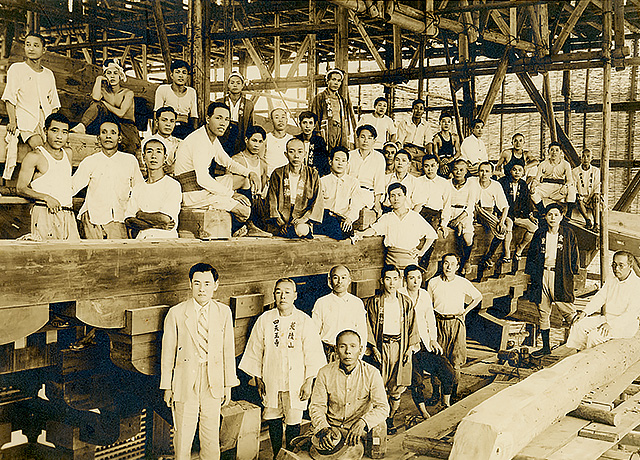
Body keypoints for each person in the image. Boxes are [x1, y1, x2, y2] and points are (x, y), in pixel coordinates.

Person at [240, 278, 326, 459]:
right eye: (278, 292)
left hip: (296, 380)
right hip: (271, 378)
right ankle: (276, 454)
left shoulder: (304, 320)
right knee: (273, 417)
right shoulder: (265, 319)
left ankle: (291, 455)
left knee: (294, 420)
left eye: (287, 292)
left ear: (295, 295)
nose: (283, 296)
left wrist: (309, 381)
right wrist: (258, 378)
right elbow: (256, 350)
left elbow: (313, 354)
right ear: (274, 295)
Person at [160, 263, 239, 460]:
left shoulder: (223, 312)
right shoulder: (177, 313)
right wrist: (167, 387)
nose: (202, 289)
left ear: (216, 285)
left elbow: (228, 351)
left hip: (213, 381)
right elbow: (168, 353)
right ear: (190, 284)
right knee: (183, 435)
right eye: (197, 283)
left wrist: (228, 385)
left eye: (207, 283)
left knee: (210, 435)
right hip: (185, 380)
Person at [173, 102, 261, 236]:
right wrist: (231, 194)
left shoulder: (211, 138)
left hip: (202, 187)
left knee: (244, 180)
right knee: (244, 211)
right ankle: (238, 228)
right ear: (208, 119)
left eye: (226, 119)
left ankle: (249, 225)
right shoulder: (199, 140)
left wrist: (250, 173)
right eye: (218, 118)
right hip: (193, 194)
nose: (223, 123)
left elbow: (228, 163)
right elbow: (202, 179)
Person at [308, 330, 390, 455]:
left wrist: (363, 422)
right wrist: (323, 427)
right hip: (331, 429)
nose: (348, 351)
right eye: (342, 346)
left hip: (358, 430)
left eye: (353, 346)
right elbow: (316, 406)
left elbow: (383, 407)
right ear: (336, 350)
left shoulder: (372, 373)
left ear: (360, 350)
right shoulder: (324, 373)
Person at [364, 265, 419, 434]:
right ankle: (376, 421)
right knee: (378, 385)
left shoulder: (405, 302)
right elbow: (368, 326)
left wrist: (409, 349)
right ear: (382, 281)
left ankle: (390, 418)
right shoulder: (374, 302)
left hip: (400, 347)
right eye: (388, 279)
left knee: (397, 387)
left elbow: (412, 327)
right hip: (381, 347)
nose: (392, 283)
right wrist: (374, 348)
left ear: (400, 280)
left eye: (395, 279)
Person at [72, 117, 144, 239]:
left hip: (120, 218)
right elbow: (72, 187)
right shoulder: (90, 161)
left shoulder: (129, 161)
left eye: (113, 133)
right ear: (98, 138)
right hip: (93, 219)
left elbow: (140, 190)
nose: (108, 136)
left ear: (119, 138)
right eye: (104, 132)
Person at [525, 203, 580, 357]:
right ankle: (546, 347)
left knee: (568, 311)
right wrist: (532, 275)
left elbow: (574, 256)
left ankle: (580, 344)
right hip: (543, 274)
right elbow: (532, 255)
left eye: (556, 215)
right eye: (550, 215)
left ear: (561, 217)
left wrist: (572, 273)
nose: (553, 218)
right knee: (543, 311)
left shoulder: (568, 233)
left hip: (560, 275)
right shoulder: (540, 233)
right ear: (545, 217)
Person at [427, 253, 482, 399]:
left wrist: (465, 312)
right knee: (437, 359)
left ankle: (453, 394)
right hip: (438, 323)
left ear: (457, 267)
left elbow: (478, 297)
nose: (449, 267)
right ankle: (435, 394)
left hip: (456, 324)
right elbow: (428, 305)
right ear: (442, 265)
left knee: (456, 361)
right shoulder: (433, 282)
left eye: (452, 264)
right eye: (446, 263)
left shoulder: (462, 282)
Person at [16, 112, 79, 240]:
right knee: (46, 251)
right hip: (44, 212)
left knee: (72, 252)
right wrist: (46, 197)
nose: (59, 136)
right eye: (55, 131)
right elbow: (20, 188)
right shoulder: (35, 156)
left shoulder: (68, 153)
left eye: (64, 132)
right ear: (45, 131)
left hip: (67, 213)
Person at [403, 265, 455, 415]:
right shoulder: (400, 294)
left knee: (447, 370)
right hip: (407, 346)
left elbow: (430, 319)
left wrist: (433, 339)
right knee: (417, 381)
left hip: (424, 343)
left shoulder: (424, 294)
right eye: (412, 278)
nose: (416, 281)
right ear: (405, 279)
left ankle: (445, 404)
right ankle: (424, 413)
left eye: (418, 278)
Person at [353, 183, 437, 270]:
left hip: (410, 260)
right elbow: (374, 230)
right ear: (389, 199)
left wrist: (422, 251)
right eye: (392, 196)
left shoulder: (415, 217)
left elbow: (432, 235)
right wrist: (361, 233)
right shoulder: (387, 217)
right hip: (391, 261)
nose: (396, 199)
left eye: (399, 195)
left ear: (405, 197)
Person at [568, 251, 640, 350]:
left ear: (630, 266)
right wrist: (585, 312)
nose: (616, 268)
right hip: (607, 318)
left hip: (625, 325)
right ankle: (580, 354)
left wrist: (610, 324)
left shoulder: (637, 285)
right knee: (579, 325)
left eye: (621, 265)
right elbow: (600, 297)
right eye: (614, 265)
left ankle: (590, 358)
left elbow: (631, 314)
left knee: (594, 336)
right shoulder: (611, 278)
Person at [2, 32, 60, 149]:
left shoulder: (48, 74)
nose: (31, 49)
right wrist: (13, 121)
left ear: (44, 50)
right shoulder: (17, 69)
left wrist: (52, 127)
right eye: (28, 45)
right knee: (39, 147)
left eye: (36, 45)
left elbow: (54, 104)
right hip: (25, 120)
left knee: (55, 149)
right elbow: (10, 98)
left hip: (46, 121)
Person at [73, 58, 140, 155]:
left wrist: (104, 103)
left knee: (130, 152)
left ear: (120, 76)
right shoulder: (104, 91)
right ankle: (82, 126)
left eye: (115, 73)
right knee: (96, 104)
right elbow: (96, 98)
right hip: (110, 123)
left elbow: (121, 113)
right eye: (109, 73)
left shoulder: (127, 93)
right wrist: (99, 79)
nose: (112, 76)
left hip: (126, 126)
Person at [124, 137, 182, 239]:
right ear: (143, 157)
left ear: (165, 158)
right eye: (149, 151)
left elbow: (164, 219)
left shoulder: (172, 185)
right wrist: (156, 225)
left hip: (166, 241)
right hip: (141, 241)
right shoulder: (138, 187)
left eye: (158, 152)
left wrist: (140, 215)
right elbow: (129, 221)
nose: (154, 156)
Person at [266, 138, 324, 238]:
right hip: (281, 219)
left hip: (302, 219)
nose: (296, 156)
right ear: (286, 154)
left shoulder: (312, 174)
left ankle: (292, 231)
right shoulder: (278, 173)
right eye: (291, 152)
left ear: (305, 154)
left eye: (300, 152)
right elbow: (272, 200)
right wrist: (280, 221)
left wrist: (303, 219)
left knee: (301, 229)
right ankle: (287, 230)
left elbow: (317, 201)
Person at [312, 265, 368, 360]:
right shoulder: (321, 302)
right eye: (335, 278)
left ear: (349, 281)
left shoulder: (357, 303)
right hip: (327, 352)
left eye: (343, 278)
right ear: (330, 281)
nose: (339, 281)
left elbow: (362, 332)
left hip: (349, 353)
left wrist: (359, 356)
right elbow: (314, 333)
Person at [232, 125, 272, 237]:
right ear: (246, 140)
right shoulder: (236, 160)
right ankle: (247, 226)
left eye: (260, 142)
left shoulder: (263, 164)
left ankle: (253, 227)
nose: (256, 145)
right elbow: (228, 184)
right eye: (254, 140)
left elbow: (262, 189)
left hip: (256, 205)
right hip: (241, 201)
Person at [471, 162, 511, 271]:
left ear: (492, 173)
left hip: (487, 213)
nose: (484, 174)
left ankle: (488, 256)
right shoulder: (472, 181)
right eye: (481, 171)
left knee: (501, 231)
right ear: (478, 172)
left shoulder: (496, 185)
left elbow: (505, 206)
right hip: (472, 211)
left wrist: (501, 222)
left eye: (487, 171)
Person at [316, 147, 364, 240]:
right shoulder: (322, 181)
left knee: (343, 231)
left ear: (347, 164)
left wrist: (349, 219)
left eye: (343, 161)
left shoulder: (353, 182)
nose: (340, 163)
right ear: (330, 162)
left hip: (343, 220)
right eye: (337, 160)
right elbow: (317, 205)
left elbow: (355, 205)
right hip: (325, 218)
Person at [498, 163, 537, 267]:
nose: (517, 172)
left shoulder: (523, 184)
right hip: (505, 214)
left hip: (518, 215)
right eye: (514, 170)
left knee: (533, 227)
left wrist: (530, 216)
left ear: (523, 173)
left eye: (520, 170)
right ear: (510, 171)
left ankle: (520, 248)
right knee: (509, 224)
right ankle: (507, 253)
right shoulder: (502, 182)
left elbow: (527, 202)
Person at [347, 124, 386, 217]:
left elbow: (379, 183)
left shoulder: (379, 158)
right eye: (362, 137)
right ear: (357, 139)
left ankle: (349, 219)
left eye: (369, 138)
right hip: (349, 192)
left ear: (374, 141)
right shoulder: (350, 155)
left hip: (367, 193)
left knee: (355, 203)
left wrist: (377, 202)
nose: (365, 140)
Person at [154, 59, 198, 139]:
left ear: (187, 76)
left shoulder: (191, 92)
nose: (181, 75)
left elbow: (194, 116)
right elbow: (156, 113)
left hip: (185, 129)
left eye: (184, 73)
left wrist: (194, 136)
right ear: (172, 75)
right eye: (177, 72)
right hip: (168, 128)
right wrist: (155, 135)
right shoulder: (163, 89)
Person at [311, 68, 354, 151]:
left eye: (339, 81)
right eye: (333, 79)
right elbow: (314, 117)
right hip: (327, 130)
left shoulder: (342, 100)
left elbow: (346, 118)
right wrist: (317, 134)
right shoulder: (320, 97)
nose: (336, 83)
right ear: (327, 81)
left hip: (340, 130)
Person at [448, 159, 476, 275]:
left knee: (468, 238)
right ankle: (457, 226)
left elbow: (470, 207)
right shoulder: (447, 183)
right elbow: (445, 203)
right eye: (455, 169)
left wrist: (458, 220)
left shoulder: (471, 185)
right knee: (455, 232)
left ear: (466, 171)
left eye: (461, 170)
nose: (458, 172)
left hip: (464, 213)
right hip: (449, 211)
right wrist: (452, 219)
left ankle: (466, 261)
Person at [531, 142, 576, 214]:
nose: (554, 152)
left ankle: (568, 214)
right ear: (548, 151)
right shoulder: (543, 164)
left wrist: (565, 186)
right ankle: (543, 212)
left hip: (559, 189)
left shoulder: (566, 164)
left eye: (557, 150)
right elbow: (537, 179)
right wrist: (533, 185)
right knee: (533, 191)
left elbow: (570, 180)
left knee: (572, 189)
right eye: (552, 150)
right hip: (546, 187)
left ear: (560, 152)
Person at [415, 153, 453, 238]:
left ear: (437, 166)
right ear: (423, 167)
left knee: (431, 236)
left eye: (433, 166)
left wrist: (444, 224)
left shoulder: (444, 183)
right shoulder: (417, 181)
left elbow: (446, 205)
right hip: (420, 213)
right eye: (426, 166)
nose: (430, 169)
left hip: (435, 215)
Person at [217, 72, 254, 155]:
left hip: (240, 136)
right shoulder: (220, 102)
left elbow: (250, 125)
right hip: (223, 136)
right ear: (228, 85)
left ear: (242, 85)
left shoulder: (248, 104)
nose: (235, 85)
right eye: (232, 83)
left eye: (238, 83)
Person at [295, 111, 330, 176]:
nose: (307, 126)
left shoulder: (319, 141)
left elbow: (324, 163)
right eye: (304, 123)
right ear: (300, 124)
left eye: (310, 123)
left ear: (314, 125)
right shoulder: (296, 140)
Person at [572, 148, 600, 229]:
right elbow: (573, 185)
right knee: (578, 200)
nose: (586, 159)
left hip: (591, 196)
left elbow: (597, 184)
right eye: (583, 156)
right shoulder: (575, 171)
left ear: (591, 158)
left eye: (588, 156)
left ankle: (596, 224)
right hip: (581, 196)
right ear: (580, 158)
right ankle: (587, 220)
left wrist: (596, 194)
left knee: (596, 199)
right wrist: (577, 194)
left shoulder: (596, 171)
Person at [264, 108, 294, 176]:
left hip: (287, 177)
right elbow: (261, 160)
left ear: (287, 120)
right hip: (269, 177)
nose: (280, 120)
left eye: (283, 117)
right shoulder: (266, 138)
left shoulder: (291, 139)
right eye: (276, 117)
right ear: (271, 121)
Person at [432, 111, 460, 178]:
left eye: (448, 122)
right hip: (440, 161)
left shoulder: (454, 137)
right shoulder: (436, 138)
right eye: (444, 121)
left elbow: (458, 152)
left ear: (451, 123)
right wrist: (441, 163)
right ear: (440, 123)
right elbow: (435, 153)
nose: (446, 124)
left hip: (451, 160)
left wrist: (450, 159)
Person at [154, 106, 181, 175]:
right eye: (164, 120)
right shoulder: (147, 141)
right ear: (157, 122)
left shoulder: (180, 143)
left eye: (172, 121)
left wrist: (173, 167)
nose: (168, 124)